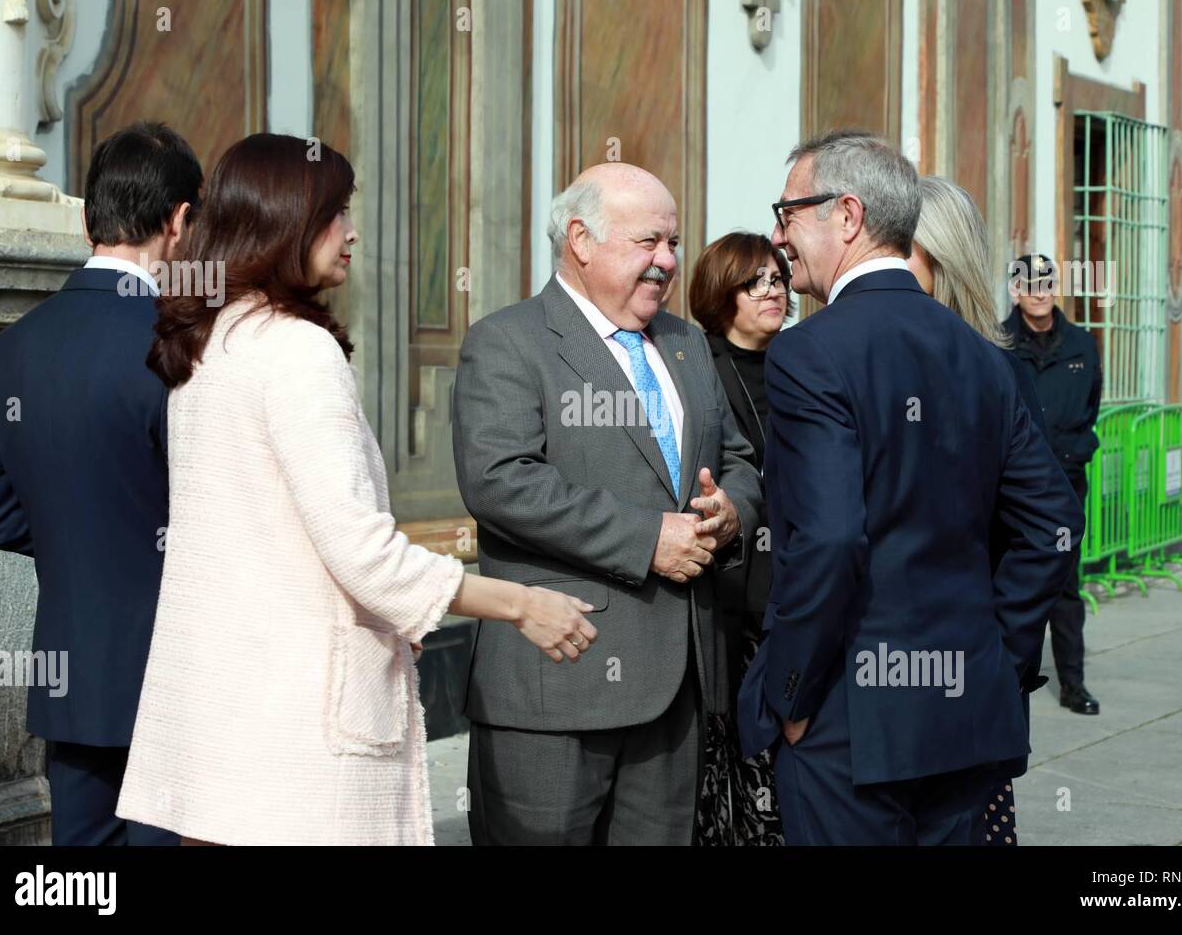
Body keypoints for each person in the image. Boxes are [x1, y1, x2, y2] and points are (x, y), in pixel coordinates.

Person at [112, 133, 596, 846]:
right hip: (301, 747)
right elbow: (363, 551)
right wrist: (522, 604)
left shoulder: (212, 340)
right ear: (286, 221)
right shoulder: (294, 350)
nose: (352, 232)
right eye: (336, 213)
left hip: (227, 728)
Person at [737, 129, 1082, 846]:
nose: (778, 236)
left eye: (788, 212)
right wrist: (994, 652)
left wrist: (791, 696)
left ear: (848, 215)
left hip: (847, 725)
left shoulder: (809, 349)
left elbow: (830, 538)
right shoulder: (982, 354)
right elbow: (1054, 520)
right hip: (963, 717)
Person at [452, 162, 763, 845]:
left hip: (679, 692)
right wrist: (648, 537)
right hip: (559, 682)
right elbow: (501, 479)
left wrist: (733, 510)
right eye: (647, 242)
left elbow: (737, 457)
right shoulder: (508, 343)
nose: (668, 261)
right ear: (580, 240)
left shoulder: (684, 345)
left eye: (673, 243)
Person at [0, 122, 202, 846]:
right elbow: (213, 514)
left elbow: (5, 521)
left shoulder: (11, 350)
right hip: (173, 673)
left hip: (69, 677)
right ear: (179, 221)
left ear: (85, 218)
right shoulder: (180, 345)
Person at [907, 175, 1075, 845]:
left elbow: (1045, 527)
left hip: (961, 685)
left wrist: (999, 653)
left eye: (899, 251)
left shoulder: (993, 369)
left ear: (939, 259)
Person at [687, 231, 789, 845]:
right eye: (755, 281)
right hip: (723, 591)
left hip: (791, 581)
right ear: (724, 291)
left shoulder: (804, 359)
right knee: (718, 745)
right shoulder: (695, 365)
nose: (772, 289)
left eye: (777, 277)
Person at [1003, 253, 1103, 715]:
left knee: (1065, 583)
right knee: (1009, 580)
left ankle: (1073, 684)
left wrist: (1075, 452)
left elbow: (1089, 409)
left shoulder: (1082, 344)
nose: (1039, 290)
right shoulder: (998, 342)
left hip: (1065, 484)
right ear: (1015, 291)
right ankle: (1009, 676)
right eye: (1028, 282)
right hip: (1010, 486)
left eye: (1046, 281)